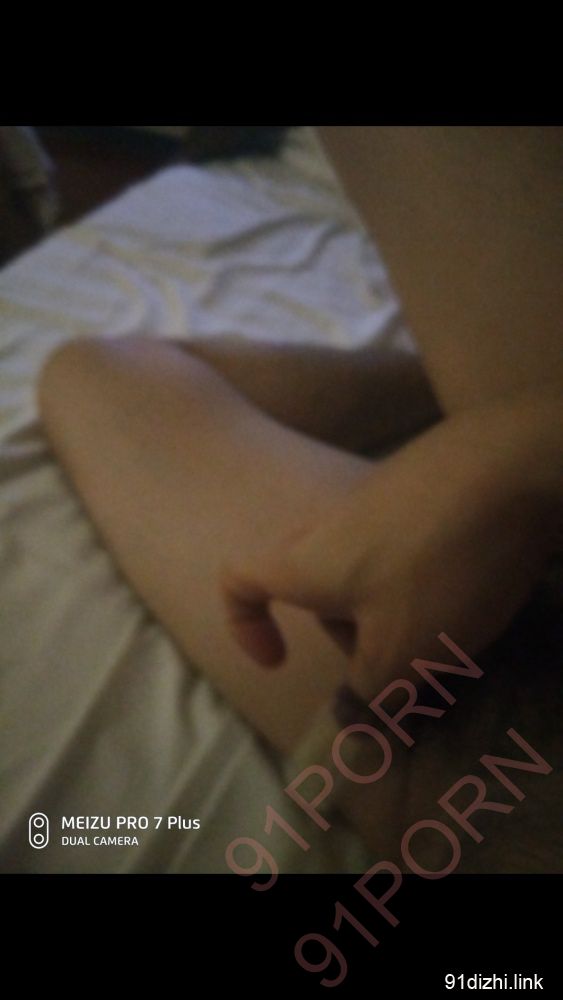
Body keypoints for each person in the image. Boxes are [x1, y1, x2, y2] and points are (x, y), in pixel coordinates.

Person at [37, 127, 563, 869]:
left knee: (101, 376)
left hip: (510, 751)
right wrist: (514, 448)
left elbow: (108, 376)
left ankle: (475, 393)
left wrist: (514, 448)